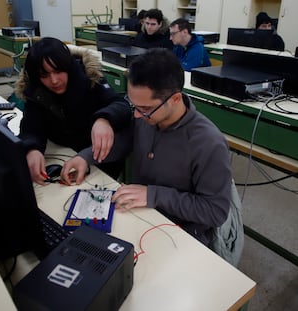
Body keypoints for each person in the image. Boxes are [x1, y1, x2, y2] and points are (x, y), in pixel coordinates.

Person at [61, 48, 232, 247]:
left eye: (146, 109)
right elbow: (126, 141)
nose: (136, 116)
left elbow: (215, 211)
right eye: (134, 106)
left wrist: (153, 195)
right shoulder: (146, 117)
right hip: (138, 215)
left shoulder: (209, 143)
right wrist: (86, 157)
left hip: (179, 234)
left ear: (175, 99)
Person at [15, 37, 132, 185]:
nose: (54, 80)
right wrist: (31, 149)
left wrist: (104, 119)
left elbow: (121, 105)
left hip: (98, 158)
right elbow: (31, 128)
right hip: (63, 153)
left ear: (68, 66)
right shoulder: (36, 91)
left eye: (58, 71)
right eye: (44, 75)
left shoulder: (89, 79)